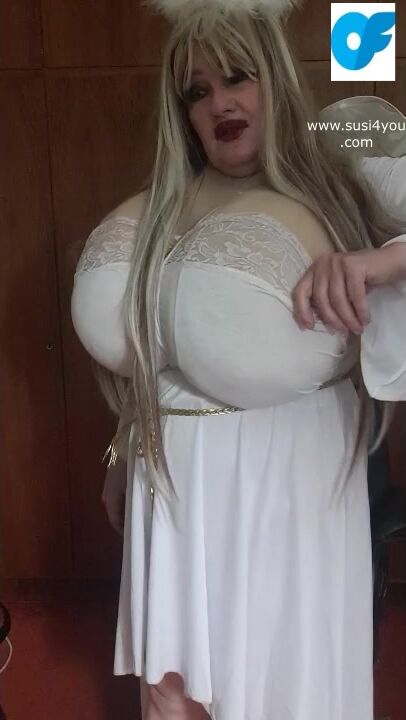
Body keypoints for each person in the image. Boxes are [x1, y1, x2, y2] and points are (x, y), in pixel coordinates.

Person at [71, 1, 406, 719]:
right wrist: (125, 447)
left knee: (278, 682)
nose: (219, 102)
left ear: (275, 79)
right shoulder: (169, 198)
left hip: (288, 479)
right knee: (170, 691)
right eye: (197, 91)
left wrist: (378, 262)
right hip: (170, 481)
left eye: (236, 77)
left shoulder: (348, 165)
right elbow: (158, 348)